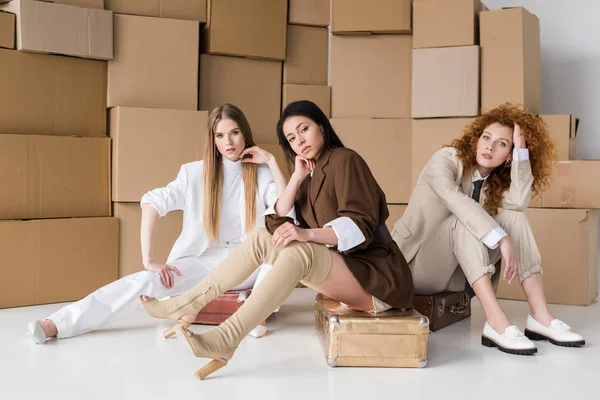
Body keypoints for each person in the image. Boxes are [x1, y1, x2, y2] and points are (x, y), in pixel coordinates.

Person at [139, 100, 414, 379]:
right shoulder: (310, 172)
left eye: (304, 129)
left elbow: (360, 224)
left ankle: (226, 339)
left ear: (321, 125)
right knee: (261, 238)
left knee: (299, 252)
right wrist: (293, 175)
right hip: (345, 272)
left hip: (377, 280)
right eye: (292, 138)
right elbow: (277, 221)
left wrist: (306, 234)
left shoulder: (345, 159)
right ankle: (186, 303)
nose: (300, 140)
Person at [27, 103, 287, 344]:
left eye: (234, 133)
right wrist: (149, 259)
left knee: (280, 249)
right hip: (207, 260)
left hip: (250, 263)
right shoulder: (195, 173)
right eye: (220, 135)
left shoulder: (262, 174)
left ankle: (253, 312)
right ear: (213, 139)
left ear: (245, 134)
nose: (228, 142)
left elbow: (285, 209)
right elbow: (151, 202)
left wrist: (272, 161)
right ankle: (57, 324)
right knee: (146, 281)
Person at [391, 103, 585, 355]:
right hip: (415, 267)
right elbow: (453, 199)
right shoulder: (446, 160)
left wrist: (521, 153)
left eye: (502, 144)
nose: (490, 147)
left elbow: (518, 202)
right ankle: (496, 321)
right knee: (463, 219)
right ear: (476, 139)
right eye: (486, 137)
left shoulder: (493, 184)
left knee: (513, 217)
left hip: (457, 276)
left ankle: (541, 317)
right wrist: (501, 239)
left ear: (508, 156)